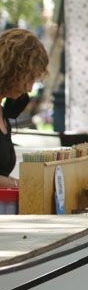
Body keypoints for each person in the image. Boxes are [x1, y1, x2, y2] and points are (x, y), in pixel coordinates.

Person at [0, 29, 49, 188]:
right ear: (12, 70)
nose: (29, 88)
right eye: (28, 78)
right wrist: (18, 185)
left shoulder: (4, 112)